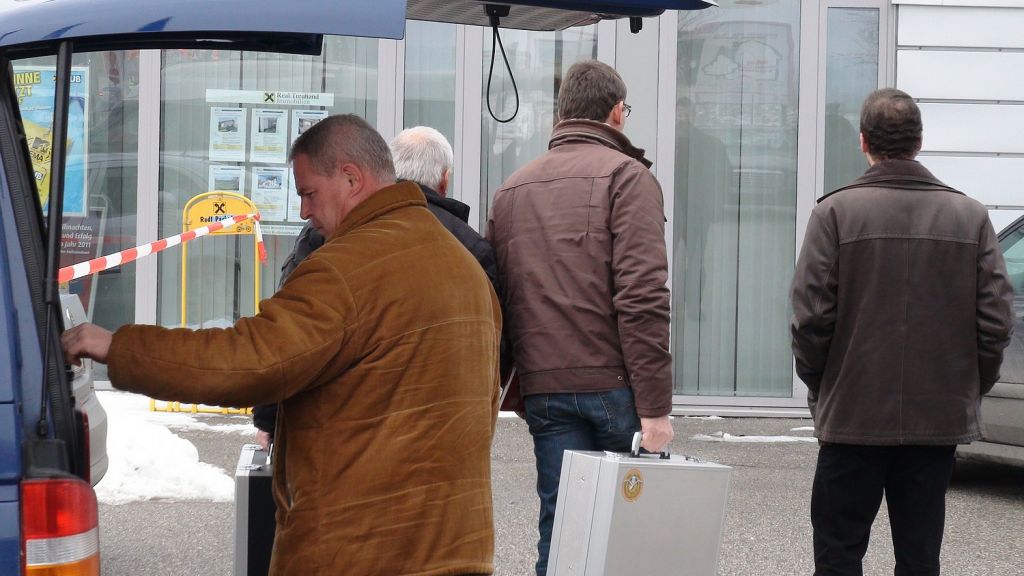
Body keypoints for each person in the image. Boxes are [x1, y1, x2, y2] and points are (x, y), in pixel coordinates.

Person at [63, 114, 502, 576]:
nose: (304, 211)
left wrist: (117, 346)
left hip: (363, 552)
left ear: (352, 178)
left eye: (309, 193)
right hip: (460, 548)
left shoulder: (346, 268)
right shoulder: (464, 266)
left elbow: (246, 361)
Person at [790, 88, 1015, 576]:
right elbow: (996, 322)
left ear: (863, 141)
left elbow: (810, 319)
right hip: (936, 417)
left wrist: (825, 385)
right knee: (919, 557)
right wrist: (967, 386)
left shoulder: (834, 213)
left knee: (838, 553)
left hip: (852, 413)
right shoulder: (970, 216)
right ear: (919, 141)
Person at [486, 60, 674, 576]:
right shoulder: (628, 178)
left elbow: (498, 298)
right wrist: (655, 407)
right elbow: (642, 296)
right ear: (616, 113)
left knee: (563, 529)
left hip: (545, 387)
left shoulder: (512, 189)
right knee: (633, 541)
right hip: (615, 385)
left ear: (562, 113)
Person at [252, 125, 500, 448]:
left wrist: (269, 418)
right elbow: (490, 354)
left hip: (339, 434)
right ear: (444, 180)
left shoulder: (332, 232)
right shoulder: (471, 250)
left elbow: (289, 335)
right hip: (438, 439)